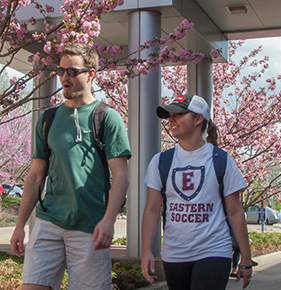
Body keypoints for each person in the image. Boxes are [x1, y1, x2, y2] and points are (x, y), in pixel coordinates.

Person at [10, 43, 131, 289]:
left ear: (91, 74)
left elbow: (121, 175)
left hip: (90, 227)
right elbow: (34, 176)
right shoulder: (48, 118)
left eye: (73, 71)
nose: (65, 77)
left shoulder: (107, 117)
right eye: (61, 70)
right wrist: (20, 225)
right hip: (48, 221)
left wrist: (109, 220)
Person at [141, 94, 253, 290]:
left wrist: (246, 257)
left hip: (214, 250)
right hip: (174, 254)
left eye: (178, 114)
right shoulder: (160, 162)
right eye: (169, 116)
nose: (171, 120)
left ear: (198, 119)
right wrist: (146, 251)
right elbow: (151, 210)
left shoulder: (222, 160)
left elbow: (235, 212)